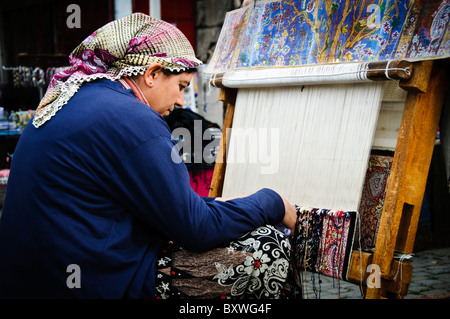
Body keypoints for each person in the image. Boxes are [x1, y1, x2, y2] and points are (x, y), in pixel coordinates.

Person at [0, 13, 299, 299]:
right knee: (265, 249)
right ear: (152, 74)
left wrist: (210, 205)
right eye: (181, 86)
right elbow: (196, 229)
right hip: (84, 284)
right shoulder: (133, 118)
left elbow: (149, 200)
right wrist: (271, 201)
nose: (181, 100)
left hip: (33, 279)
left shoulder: (78, 98)